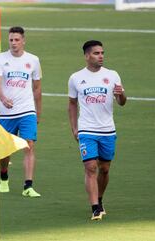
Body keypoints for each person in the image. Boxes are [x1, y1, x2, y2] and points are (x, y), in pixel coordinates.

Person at [68, 40, 126, 220]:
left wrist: (121, 94)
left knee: (105, 169)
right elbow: (72, 103)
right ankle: (94, 207)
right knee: (90, 167)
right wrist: (74, 128)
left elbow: (122, 102)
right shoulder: (76, 78)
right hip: (87, 129)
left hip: (107, 130)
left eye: (102, 53)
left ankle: (100, 199)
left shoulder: (112, 75)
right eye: (96, 53)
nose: (100, 56)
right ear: (87, 56)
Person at [0, 26, 42, 198]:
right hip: (6, 113)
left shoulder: (33, 60)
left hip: (27, 110)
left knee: (29, 145)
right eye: (11, 40)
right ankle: (4, 177)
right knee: (5, 150)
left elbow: (37, 88)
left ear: (23, 40)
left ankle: (28, 186)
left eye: (17, 40)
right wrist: (3, 98)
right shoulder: (0, 58)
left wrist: (38, 111)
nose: (13, 43)